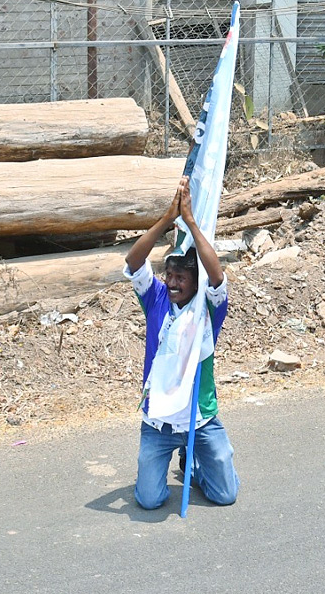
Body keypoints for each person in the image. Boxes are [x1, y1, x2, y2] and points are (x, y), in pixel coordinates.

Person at [124, 176, 238, 510]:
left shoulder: (208, 307)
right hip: (159, 419)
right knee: (148, 500)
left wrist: (191, 222)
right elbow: (133, 263)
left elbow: (216, 277)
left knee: (225, 494)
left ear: (194, 282)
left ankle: (196, 463)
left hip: (198, 417)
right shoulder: (156, 298)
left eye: (181, 278)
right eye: (169, 275)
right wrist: (167, 219)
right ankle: (172, 458)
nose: (172, 283)